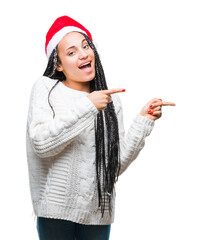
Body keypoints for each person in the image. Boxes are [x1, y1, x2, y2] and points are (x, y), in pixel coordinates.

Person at [26, 15, 175, 240]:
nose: (84, 53)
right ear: (58, 64)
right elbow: (41, 143)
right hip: (55, 213)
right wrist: (89, 106)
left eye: (86, 46)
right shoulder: (46, 89)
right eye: (72, 51)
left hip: (99, 213)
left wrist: (144, 120)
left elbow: (113, 167)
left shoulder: (109, 100)